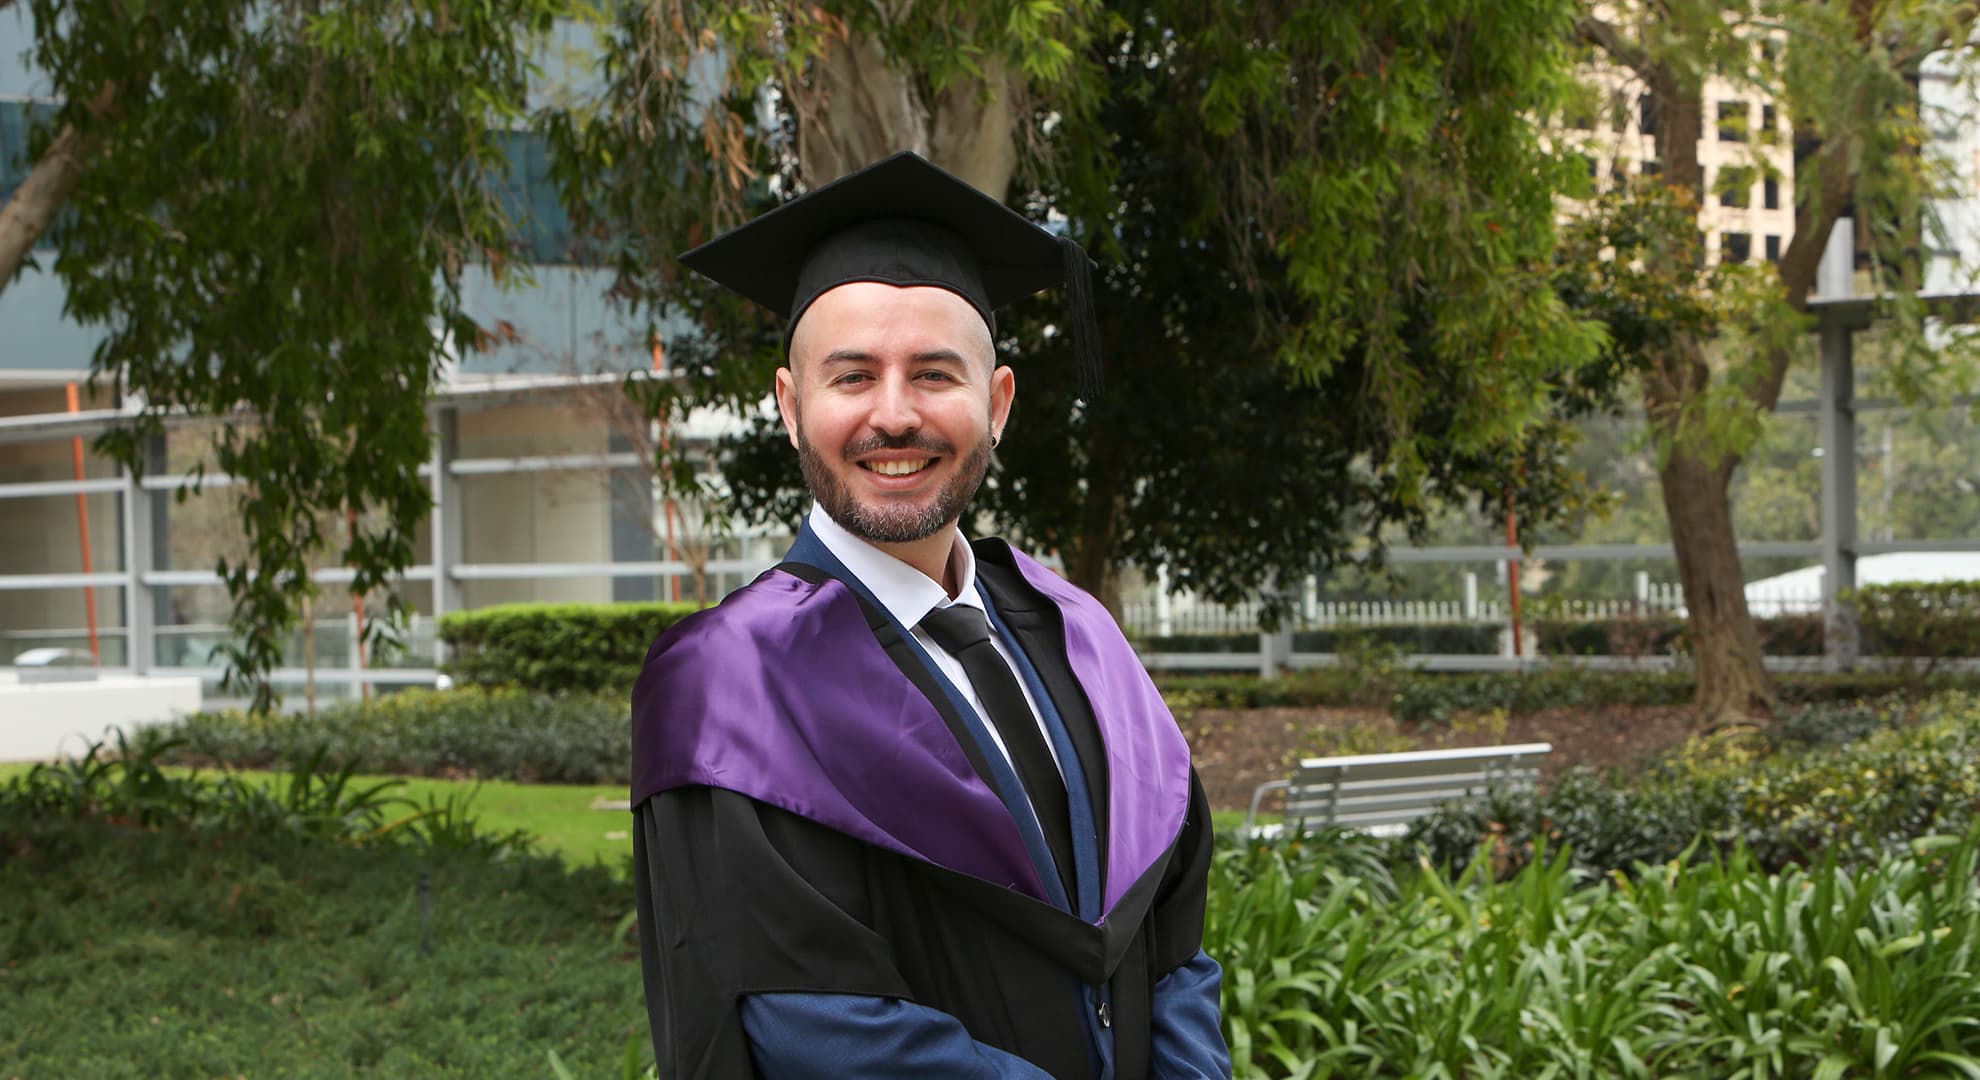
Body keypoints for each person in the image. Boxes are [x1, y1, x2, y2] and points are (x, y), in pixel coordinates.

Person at [630, 151, 1230, 1079]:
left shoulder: (1080, 636)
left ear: (997, 405)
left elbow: (1174, 944)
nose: (896, 414)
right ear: (792, 409)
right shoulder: (731, 686)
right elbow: (812, 1023)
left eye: (936, 374)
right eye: (854, 376)